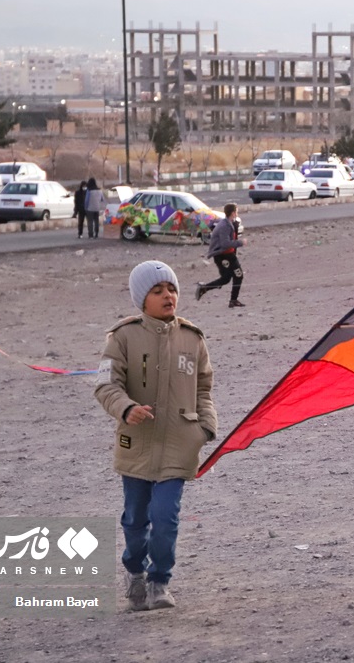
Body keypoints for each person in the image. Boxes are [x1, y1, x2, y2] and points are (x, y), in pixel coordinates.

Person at [94, 260, 218, 611]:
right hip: (136, 445)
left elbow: (204, 387)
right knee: (135, 518)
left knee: (166, 518)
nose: (169, 296)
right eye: (158, 290)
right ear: (141, 299)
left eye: (172, 289)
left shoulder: (192, 338)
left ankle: (159, 580)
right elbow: (105, 384)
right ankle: (134, 569)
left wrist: (205, 427)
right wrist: (126, 408)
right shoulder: (122, 337)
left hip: (180, 445)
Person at [196, 203, 246, 308]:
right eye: (236, 211)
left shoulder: (229, 223)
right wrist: (240, 242)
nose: (237, 213)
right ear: (233, 213)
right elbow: (225, 244)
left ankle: (205, 289)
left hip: (228, 254)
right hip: (223, 255)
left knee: (227, 278)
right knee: (237, 275)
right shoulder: (225, 226)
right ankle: (232, 300)